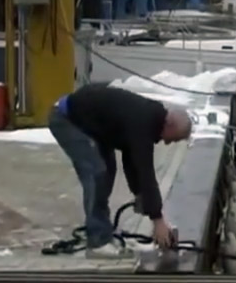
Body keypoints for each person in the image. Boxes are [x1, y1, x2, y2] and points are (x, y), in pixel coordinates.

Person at [48, 84, 192, 258]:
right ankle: (98, 242)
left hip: (93, 125)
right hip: (66, 120)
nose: (168, 144)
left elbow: (131, 159)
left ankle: (102, 232)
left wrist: (140, 195)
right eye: (173, 139)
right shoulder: (144, 121)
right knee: (97, 173)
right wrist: (157, 219)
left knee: (107, 170)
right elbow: (145, 169)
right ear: (169, 124)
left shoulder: (149, 119)